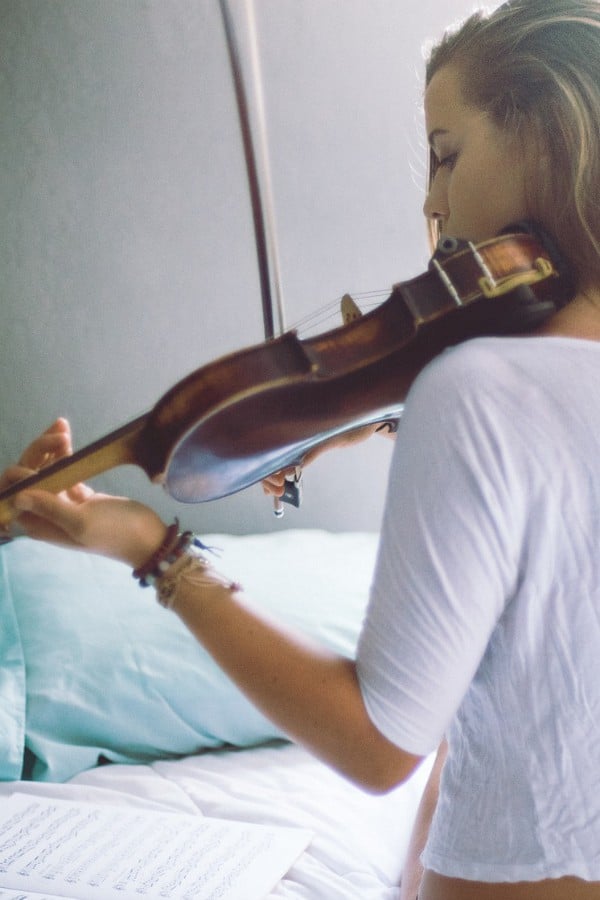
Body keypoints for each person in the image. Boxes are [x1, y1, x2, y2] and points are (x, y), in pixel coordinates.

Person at [2, 1, 600, 896]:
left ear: (552, 139)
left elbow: (378, 744)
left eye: (446, 153)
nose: (432, 202)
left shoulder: (478, 389)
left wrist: (158, 554)